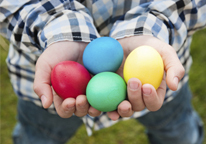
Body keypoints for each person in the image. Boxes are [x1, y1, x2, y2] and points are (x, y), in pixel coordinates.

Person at [0, 0, 206, 143]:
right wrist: (58, 30)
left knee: (177, 133)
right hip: (52, 89)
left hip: (156, 82)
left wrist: (150, 28)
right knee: (38, 136)